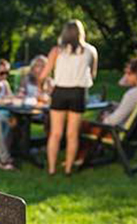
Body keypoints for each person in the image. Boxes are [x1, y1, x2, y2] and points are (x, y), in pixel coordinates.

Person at [39, 19, 98, 176]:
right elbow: (93, 75)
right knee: (72, 134)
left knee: (55, 133)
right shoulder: (91, 51)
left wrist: (41, 88)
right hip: (78, 93)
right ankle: (68, 169)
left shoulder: (56, 51)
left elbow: (44, 75)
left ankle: (51, 169)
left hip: (59, 92)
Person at [76, 57, 137, 163]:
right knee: (103, 114)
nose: (126, 76)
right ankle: (94, 150)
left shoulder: (132, 94)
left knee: (81, 125)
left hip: (121, 132)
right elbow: (134, 109)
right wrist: (118, 106)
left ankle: (83, 156)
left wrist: (105, 118)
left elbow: (113, 121)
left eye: (128, 73)